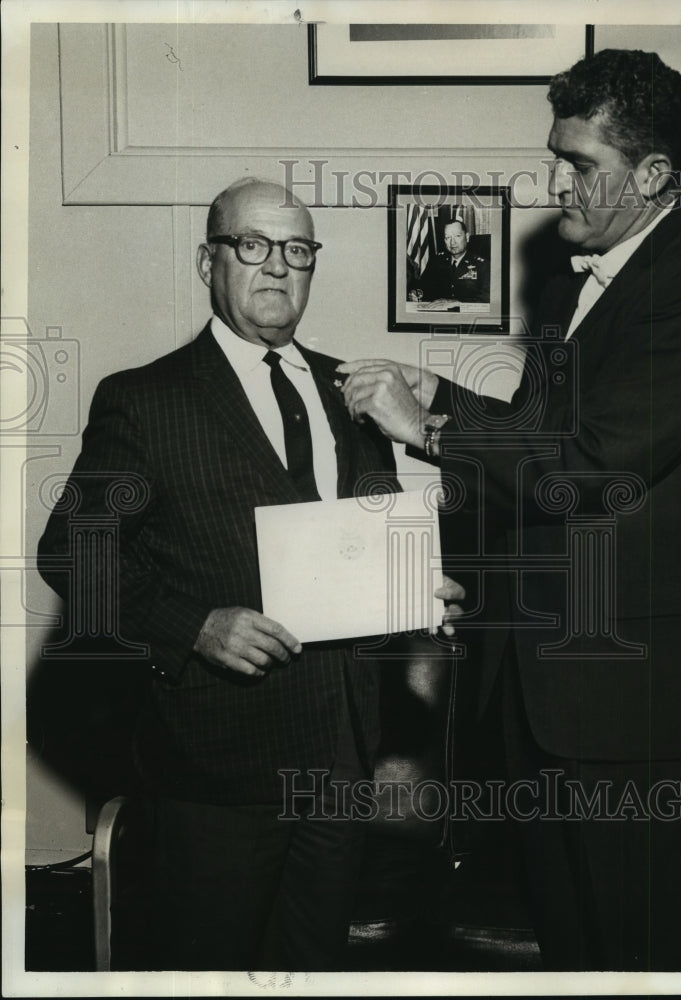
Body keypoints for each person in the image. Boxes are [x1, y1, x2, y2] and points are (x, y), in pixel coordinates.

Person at [338, 49, 681, 971]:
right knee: (572, 952)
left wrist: (432, 433)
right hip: (551, 695)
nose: (557, 182)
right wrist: (439, 392)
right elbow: (544, 432)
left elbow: (597, 465)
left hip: (641, 715)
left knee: (649, 957)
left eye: (580, 165)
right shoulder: (585, 278)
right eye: (556, 156)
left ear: (652, 177)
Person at [37, 177, 462, 972]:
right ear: (209, 261)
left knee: (310, 975)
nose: (276, 268)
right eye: (253, 246)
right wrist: (193, 624)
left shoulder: (355, 395)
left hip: (341, 760)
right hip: (216, 764)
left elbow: (362, 546)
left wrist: (417, 587)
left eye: (297, 251)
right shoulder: (146, 399)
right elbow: (69, 549)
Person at [410, 219, 490, 303]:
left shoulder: (483, 265)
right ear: (444, 240)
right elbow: (424, 286)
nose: (452, 242)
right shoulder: (437, 261)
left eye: (457, 236)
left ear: (467, 237)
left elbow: (487, 298)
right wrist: (418, 293)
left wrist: (456, 303)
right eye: (448, 237)